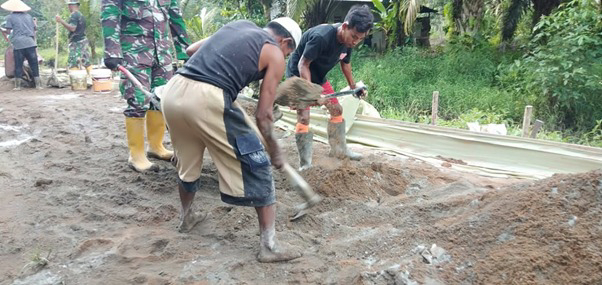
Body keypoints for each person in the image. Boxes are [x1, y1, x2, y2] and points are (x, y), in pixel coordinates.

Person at [160, 18, 303, 263]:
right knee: (257, 164)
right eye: (289, 52)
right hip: (207, 98)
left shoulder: (238, 25)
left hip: (173, 92)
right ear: (286, 41)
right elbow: (263, 115)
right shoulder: (274, 53)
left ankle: (187, 218)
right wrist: (275, 149)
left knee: (187, 163)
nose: (286, 57)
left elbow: (191, 50)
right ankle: (269, 246)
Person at [101, 0, 190, 172]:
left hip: (162, 52)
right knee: (137, 99)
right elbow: (110, 12)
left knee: (161, 97)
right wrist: (112, 50)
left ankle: (156, 146)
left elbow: (175, 17)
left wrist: (185, 50)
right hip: (134, 51)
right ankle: (136, 154)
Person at [286, 5, 373, 170]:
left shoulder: (348, 42)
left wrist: (354, 87)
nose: (355, 41)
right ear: (345, 26)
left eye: (360, 39)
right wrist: (311, 91)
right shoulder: (322, 37)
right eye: (354, 36)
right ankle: (305, 164)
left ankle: (339, 150)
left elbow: (345, 65)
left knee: (336, 110)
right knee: (304, 116)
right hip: (299, 74)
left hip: (318, 76)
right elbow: (302, 64)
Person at [1, 0, 43, 90]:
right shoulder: (28, 16)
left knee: (18, 64)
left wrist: (2, 30)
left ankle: (18, 86)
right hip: (30, 43)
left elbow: (8, 31)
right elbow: (34, 28)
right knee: (34, 64)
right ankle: (38, 85)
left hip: (19, 44)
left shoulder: (10, 17)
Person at [55, 0, 91, 74]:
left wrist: (61, 21)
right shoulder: (80, 15)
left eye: (69, 5)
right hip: (83, 40)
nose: (68, 7)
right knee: (86, 60)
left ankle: (76, 80)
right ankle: (92, 78)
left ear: (72, 5)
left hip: (76, 42)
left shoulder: (74, 15)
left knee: (73, 62)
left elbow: (72, 28)